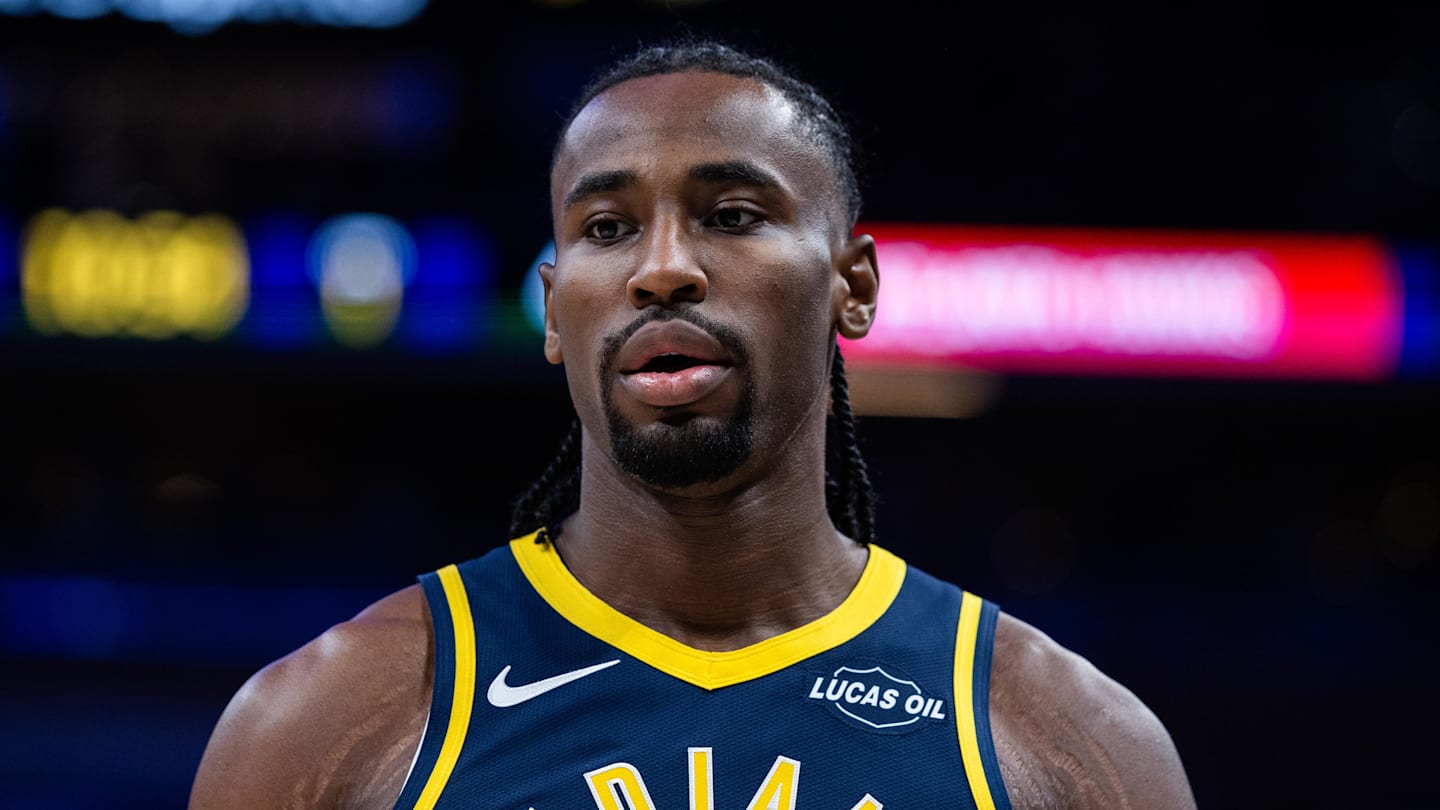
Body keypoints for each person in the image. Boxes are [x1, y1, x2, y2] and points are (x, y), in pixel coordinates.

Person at [190, 41, 1196, 809]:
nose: (661, 267)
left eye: (732, 214)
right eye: (607, 228)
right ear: (552, 308)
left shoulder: (1067, 746)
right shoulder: (323, 728)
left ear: (852, 286)